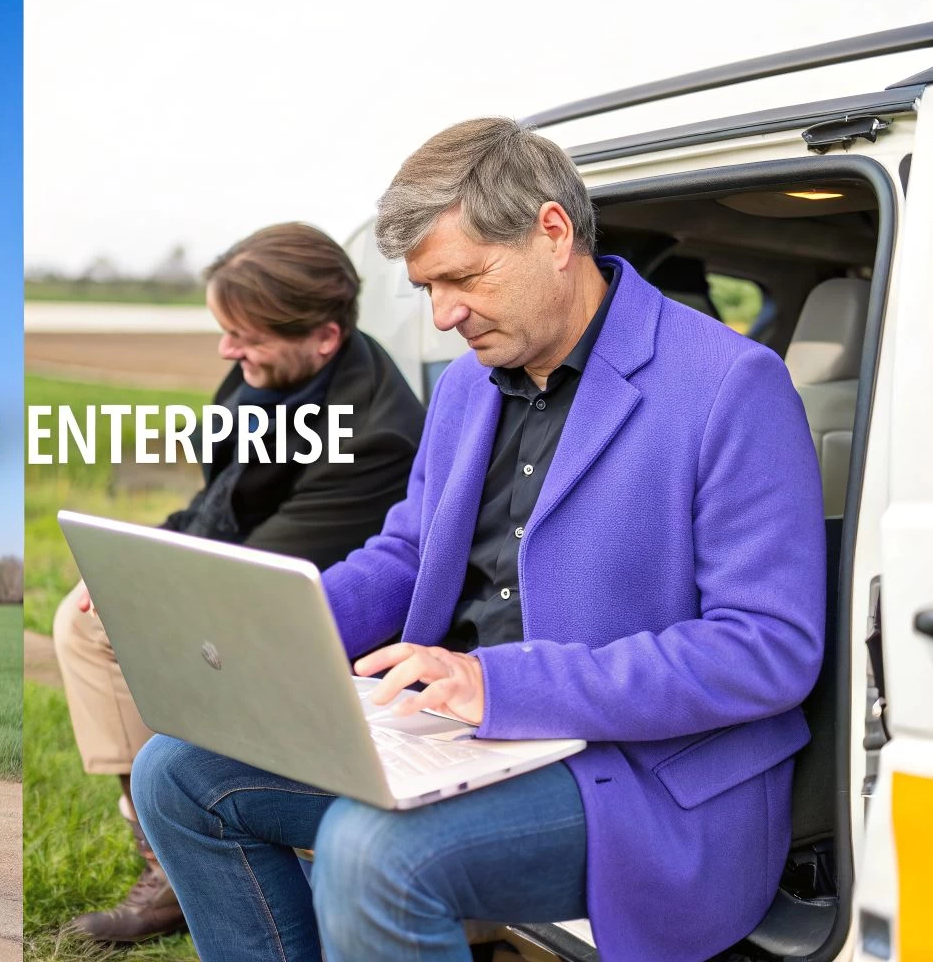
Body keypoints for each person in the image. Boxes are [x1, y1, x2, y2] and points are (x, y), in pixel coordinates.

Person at [130, 118, 826, 961]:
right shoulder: (467, 385)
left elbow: (768, 648)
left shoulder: (730, 385)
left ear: (553, 233)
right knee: (175, 775)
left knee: (370, 852)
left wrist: (493, 682)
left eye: (461, 277)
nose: (444, 313)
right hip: (452, 731)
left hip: (636, 776)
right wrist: (267, 627)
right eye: (425, 287)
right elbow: (409, 554)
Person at [54, 223, 425, 943]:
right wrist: (140, 551)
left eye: (243, 335)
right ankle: (161, 847)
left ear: (322, 337)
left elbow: (261, 569)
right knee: (83, 611)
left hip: (319, 615)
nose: (227, 351)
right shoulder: (265, 376)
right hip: (255, 565)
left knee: (110, 620)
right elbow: (219, 501)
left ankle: (181, 845)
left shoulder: (375, 436)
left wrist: (149, 583)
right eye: (225, 331)